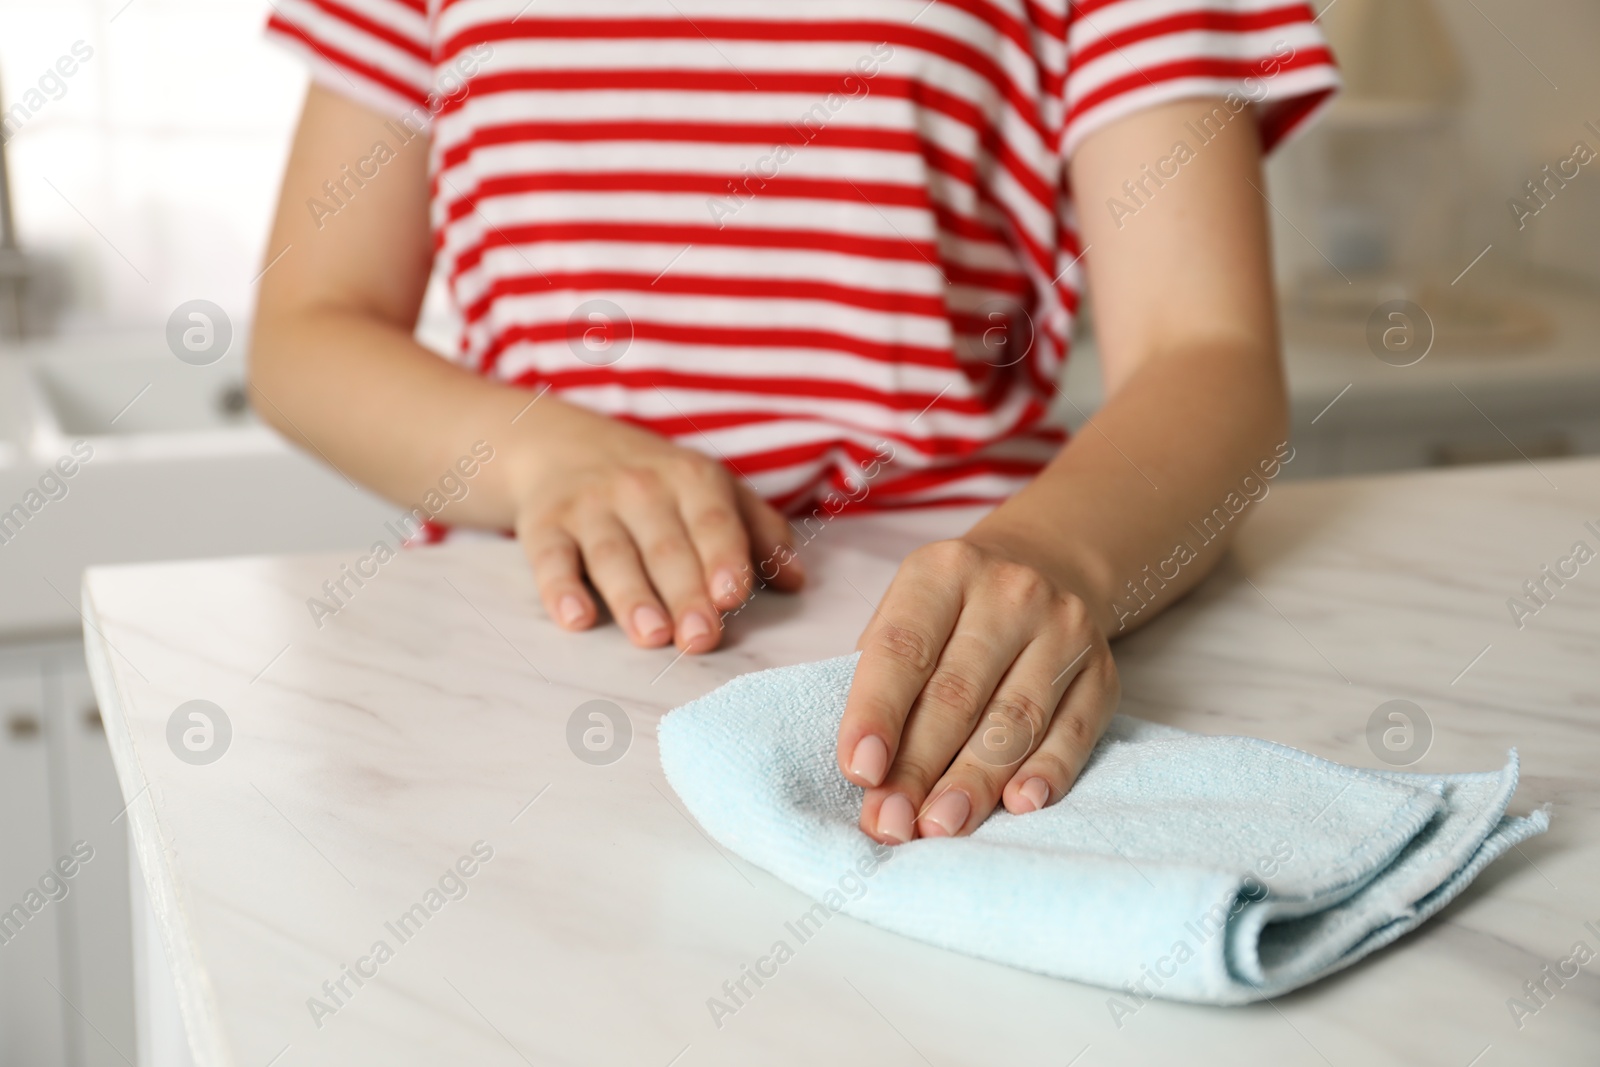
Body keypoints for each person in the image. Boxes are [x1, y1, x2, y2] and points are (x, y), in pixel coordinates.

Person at [252, 1, 1338, 846]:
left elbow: (1207, 352)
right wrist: (543, 453)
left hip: (960, 647)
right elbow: (306, 329)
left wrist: (1054, 554)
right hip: (522, 662)